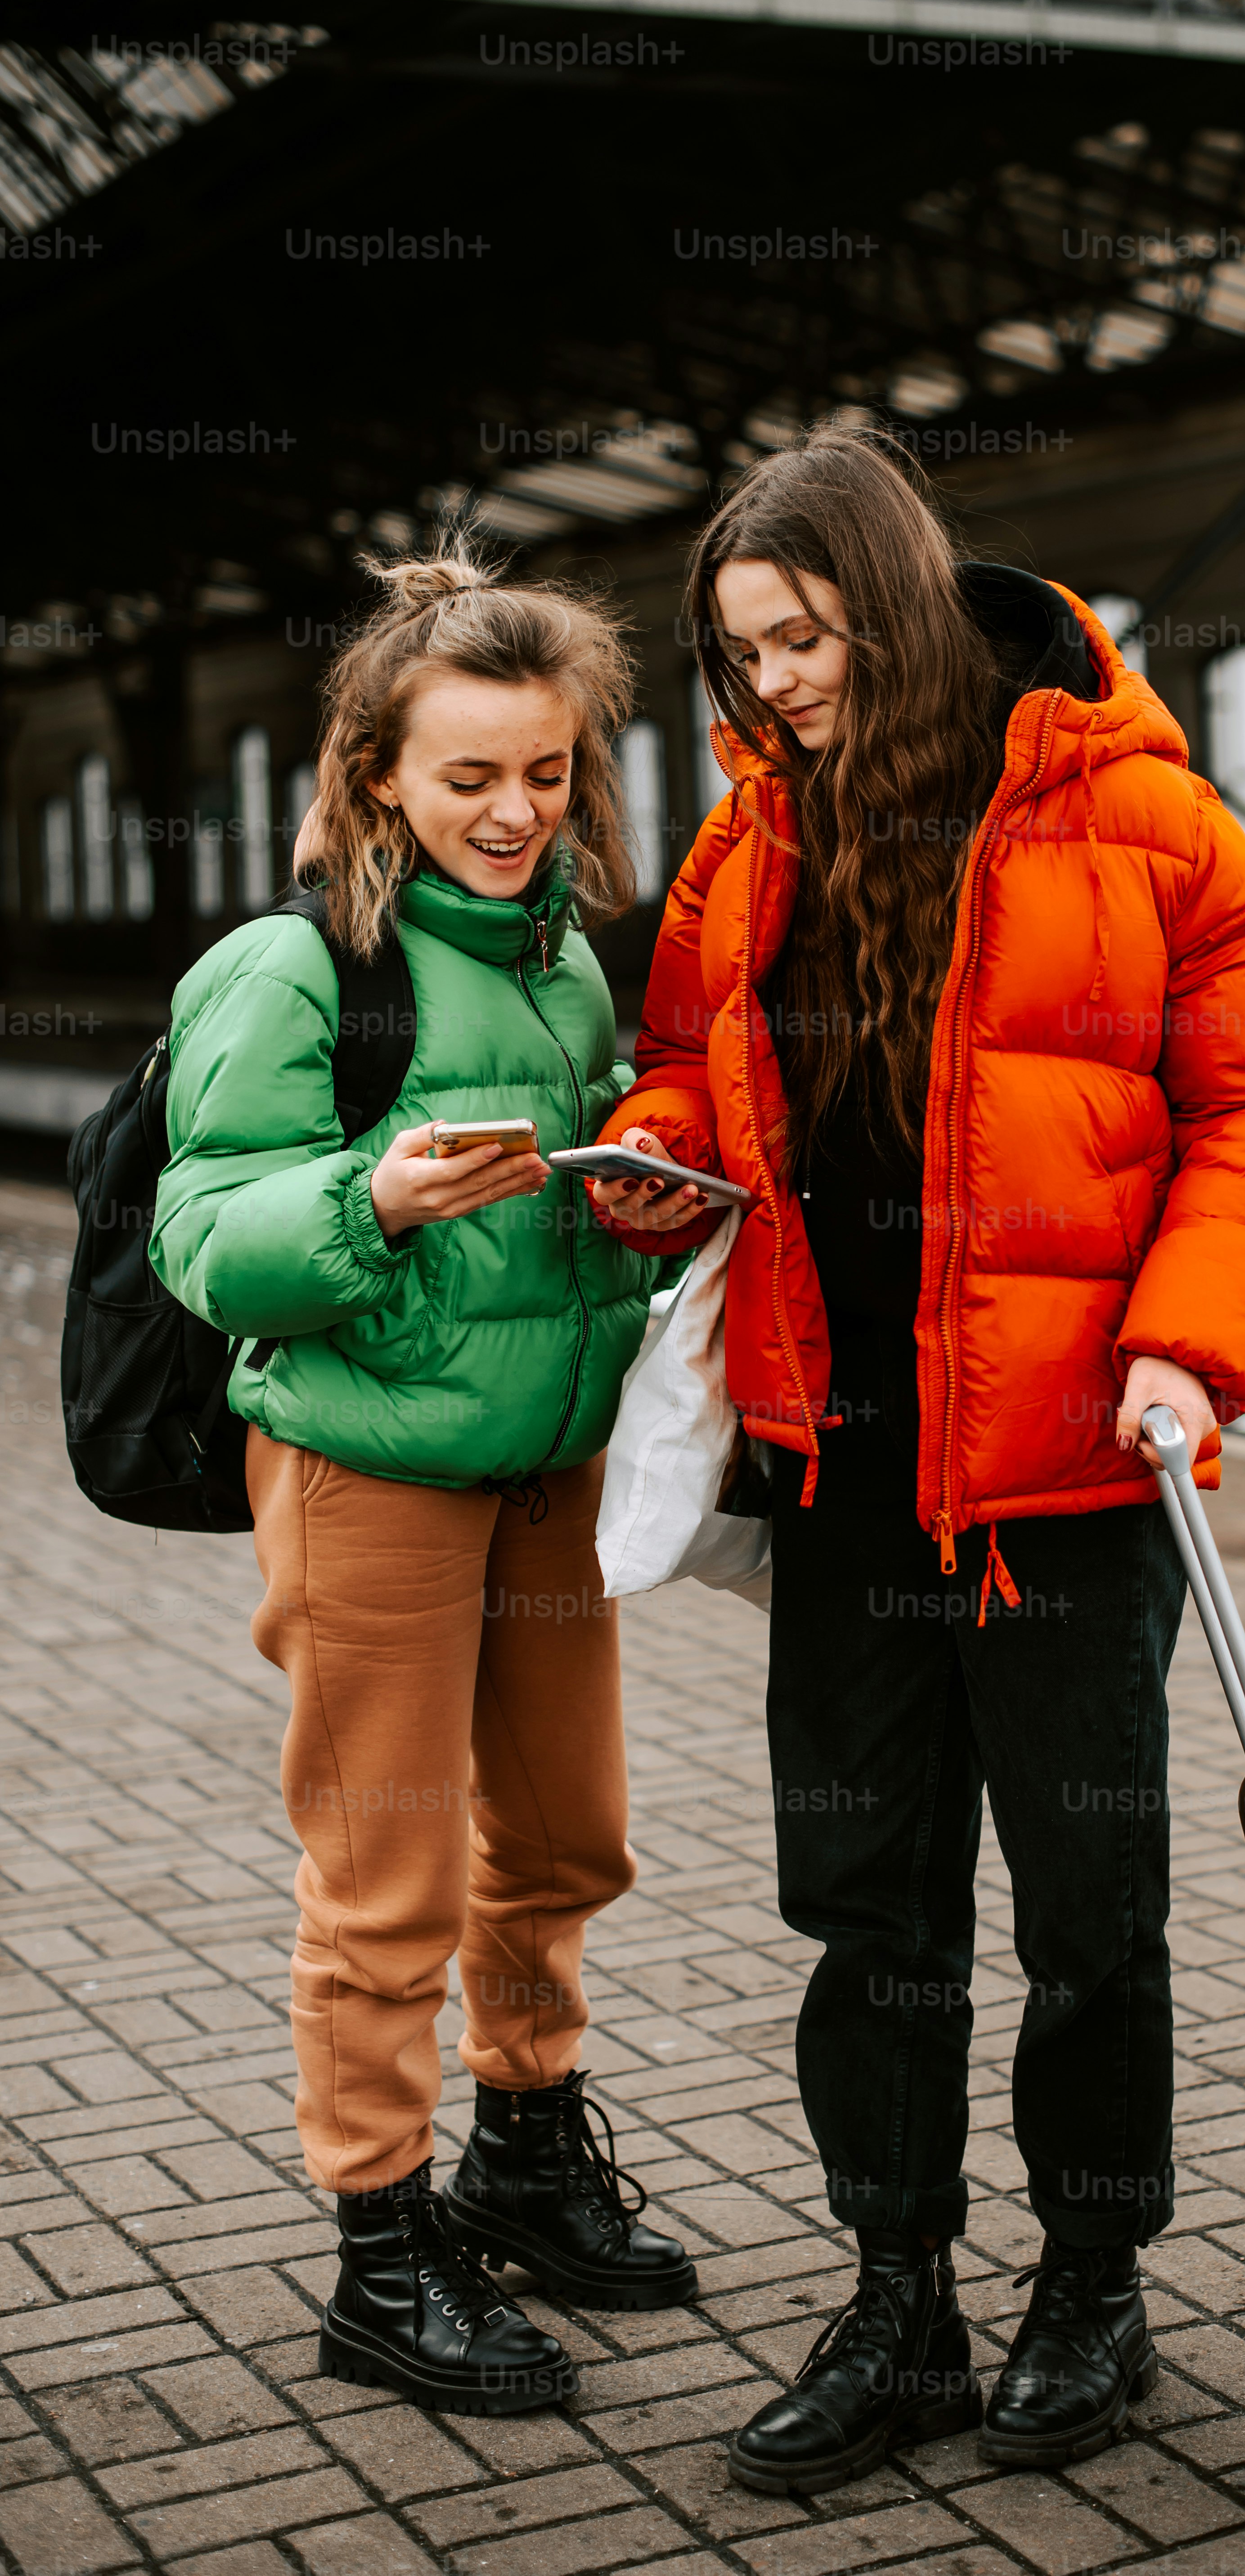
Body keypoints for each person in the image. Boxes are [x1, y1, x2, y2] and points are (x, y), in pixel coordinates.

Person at [591, 427, 1245, 2492]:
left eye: (806, 638)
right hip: (838, 1480)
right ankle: (898, 2294)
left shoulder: (1144, 816)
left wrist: (1189, 1348)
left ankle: (1091, 2280)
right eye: (742, 659)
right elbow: (677, 1063)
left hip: (1065, 1493)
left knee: (1088, 1916)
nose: (777, 690)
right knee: (870, 1916)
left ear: (898, 602)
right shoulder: (747, 843)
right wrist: (653, 1164)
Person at [149, 550, 695, 2419]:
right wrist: (367, 1195)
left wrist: (633, 1203)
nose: (515, 808)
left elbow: (591, 1191)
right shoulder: (290, 968)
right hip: (366, 1466)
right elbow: (201, 1229)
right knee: (380, 1880)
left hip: (549, 1474)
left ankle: (524, 2163)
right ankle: (381, 2252)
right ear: (376, 769)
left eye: (546, 770)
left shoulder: (561, 960)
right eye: (470, 774)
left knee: (561, 1837)